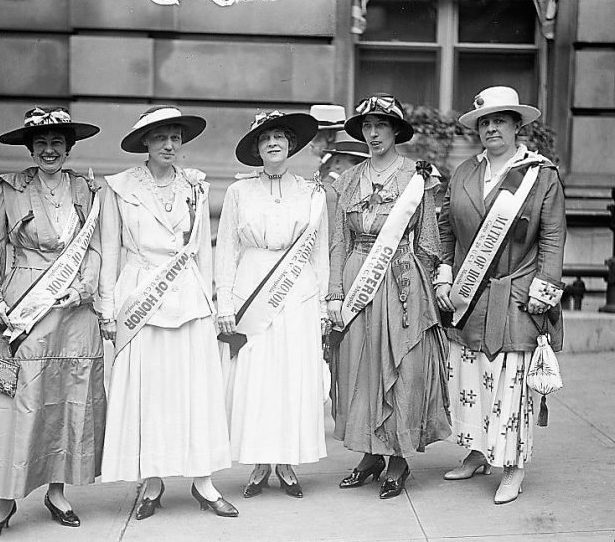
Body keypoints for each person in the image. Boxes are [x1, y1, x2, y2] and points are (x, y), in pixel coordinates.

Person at [0, 107, 105, 540]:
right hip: (22, 307)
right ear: (30, 147)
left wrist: (82, 289)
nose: (49, 150)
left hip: (73, 311)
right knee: (15, 403)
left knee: (66, 397)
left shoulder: (86, 188)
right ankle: (5, 499)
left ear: (69, 147)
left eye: (57, 142)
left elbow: (96, 249)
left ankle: (58, 492)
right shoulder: (10, 189)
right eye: (41, 142)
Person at [98, 106, 237, 518]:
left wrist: (213, 305)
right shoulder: (120, 188)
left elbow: (202, 253)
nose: (169, 145)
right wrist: (108, 308)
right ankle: (153, 482)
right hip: (141, 299)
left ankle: (203, 482)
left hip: (189, 300)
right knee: (151, 394)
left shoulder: (196, 187)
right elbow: (109, 251)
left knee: (195, 392)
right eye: (160, 138)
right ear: (145, 142)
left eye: (175, 137)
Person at [435, 86, 566, 504]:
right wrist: (443, 277)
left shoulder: (540, 175)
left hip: (517, 293)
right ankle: (476, 451)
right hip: (469, 295)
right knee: (470, 377)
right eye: (484, 122)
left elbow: (552, 237)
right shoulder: (463, 172)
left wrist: (542, 290)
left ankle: (512, 466)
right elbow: (444, 229)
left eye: (500, 120)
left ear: (516, 125)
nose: (491, 127)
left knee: (511, 382)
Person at [326, 93, 451, 500]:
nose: (373, 133)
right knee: (359, 366)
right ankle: (369, 453)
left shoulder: (418, 178)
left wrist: (434, 286)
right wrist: (334, 294)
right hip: (357, 276)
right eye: (366, 126)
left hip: (400, 281)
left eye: (381, 125)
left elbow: (430, 240)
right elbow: (337, 243)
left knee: (402, 365)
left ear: (396, 130)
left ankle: (397, 458)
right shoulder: (346, 181)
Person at [216, 110, 328, 499]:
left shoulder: (313, 192)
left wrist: (323, 305)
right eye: (265, 139)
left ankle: (287, 461)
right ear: (256, 148)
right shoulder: (238, 192)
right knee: (257, 376)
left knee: (291, 375)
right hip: (253, 287)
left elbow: (319, 253)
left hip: (298, 291)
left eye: (280, 136)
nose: (273, 143)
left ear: (291, 144)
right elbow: (227, 248)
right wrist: (225, 300)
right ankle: (260, 461)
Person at [322, 131, 370, 223]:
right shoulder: (328, 192)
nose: (360, 168)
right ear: (337, 163)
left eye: (365, 163)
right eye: (355, 162)